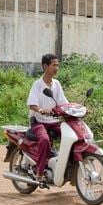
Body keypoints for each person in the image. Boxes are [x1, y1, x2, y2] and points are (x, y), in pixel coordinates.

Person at [27, 53, 68, 183]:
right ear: (45, 66)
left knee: (70, 134)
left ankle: (65, 164)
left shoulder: (57, 84)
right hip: (39, 121)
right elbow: (32, 104)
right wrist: (40, 109)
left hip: (54, 121)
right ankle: (39, 172)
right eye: (54, 65)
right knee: (44, 139)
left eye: (58, 65)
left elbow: (63, 102)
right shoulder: (37, 85)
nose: (57, 68)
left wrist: (76, 108)